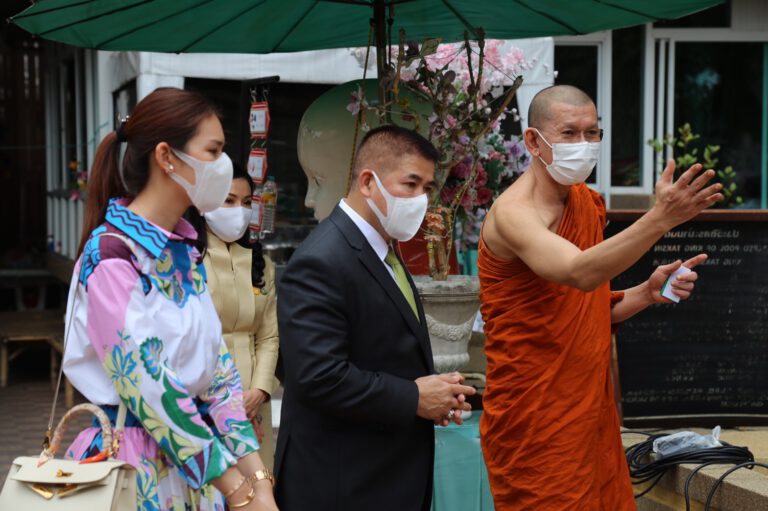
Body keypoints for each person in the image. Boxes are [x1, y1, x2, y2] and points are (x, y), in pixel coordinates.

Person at [478, 85, 723, 510]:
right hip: (536, 420)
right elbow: (578, 272)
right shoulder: (514, 214)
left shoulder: (585, 203)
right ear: (534, 141)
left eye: (592, 134)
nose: (584, 145)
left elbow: (587, 311)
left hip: (589, 412)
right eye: (570, 134)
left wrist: (646, 292)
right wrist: (659, 219)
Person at [62, 87, 278, 511]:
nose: (223, 166)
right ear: (166, 157)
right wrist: (238, 489)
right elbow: (148, 387)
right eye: (213, 151)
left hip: (201, 471)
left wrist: (259, 481)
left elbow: (219, 376)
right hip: (135, 470)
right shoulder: (111, 257)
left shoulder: (182, 251)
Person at [275, 125, 476, 511]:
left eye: (428, 188)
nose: (421, 199)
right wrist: (415, 396)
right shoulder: (322, 259)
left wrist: (435, 392)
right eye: (411, 184)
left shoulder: (382, 247)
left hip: (386, 474)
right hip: (343, 483)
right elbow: (318, 376)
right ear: (368, 182)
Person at [188, 164, 279, 470]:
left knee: (257, 485)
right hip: (203, 398)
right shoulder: (186, 260)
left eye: (247, 202)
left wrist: (261, 389)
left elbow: (268, 335)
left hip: (253, 400)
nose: (239, 210)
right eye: (228, 200)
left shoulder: (261, 263)